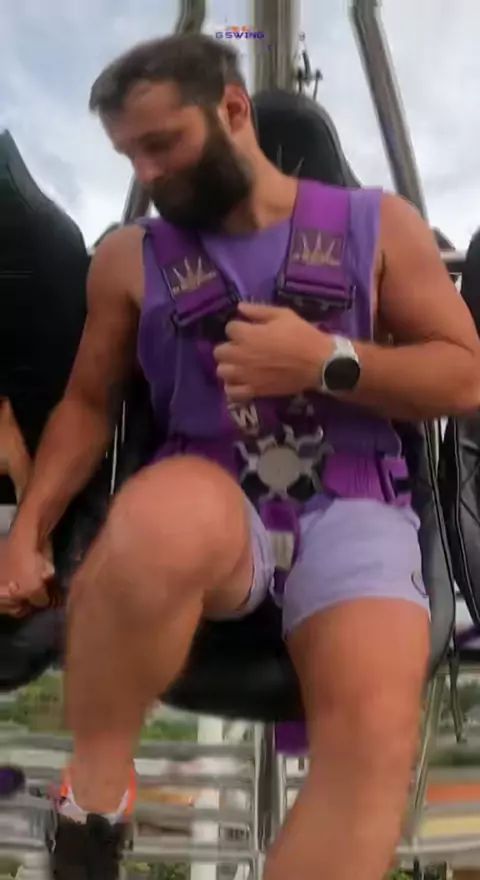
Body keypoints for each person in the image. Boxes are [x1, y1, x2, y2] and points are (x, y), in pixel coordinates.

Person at [1, 32, 480, 880]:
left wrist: (328, 361)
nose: (148, 174)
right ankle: (95, 801)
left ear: (232, 110)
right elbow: (87, 404)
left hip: (357, 506)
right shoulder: (129, 260)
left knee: (373, 741)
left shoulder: (380, 228)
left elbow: (464, 375)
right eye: (129, 155)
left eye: (163, 144)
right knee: (153, 527)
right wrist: (28, 528)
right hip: (210, 490)